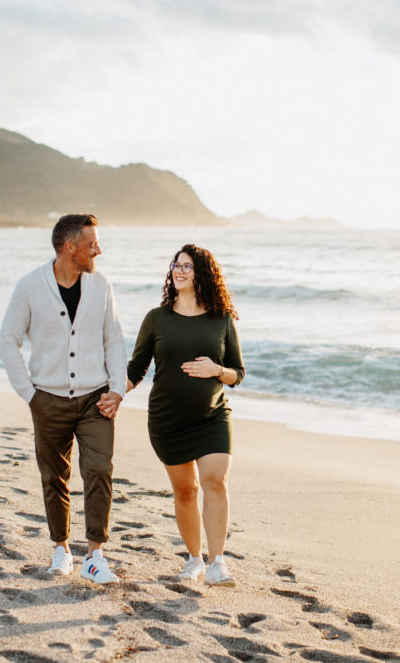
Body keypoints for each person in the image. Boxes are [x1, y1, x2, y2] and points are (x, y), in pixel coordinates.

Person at [0, 214, 127, 584]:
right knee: (54, 476)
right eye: (92, 244)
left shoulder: (102, 286)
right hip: (48, 399)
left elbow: (113, 340)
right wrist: (29, 393)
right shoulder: (29, 286)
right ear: (70, 248)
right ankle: (61, 549)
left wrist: (117, 389)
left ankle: (95, 555)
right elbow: (8, 340)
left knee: (99, 470)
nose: (98, 250)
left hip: (95, 398)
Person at [125, 244, 245, 587]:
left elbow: (238, 373)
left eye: (188, 267)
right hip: (168, 420)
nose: (179, 271)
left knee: (215, 481)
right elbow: (137, 368)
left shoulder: (220, 319)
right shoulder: (156, 318)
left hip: (213, 417)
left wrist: (216, 370)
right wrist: (116, 393)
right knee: (186, 491)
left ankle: (217, 562)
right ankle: (194, 559)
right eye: (176, 265)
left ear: (202, 274)